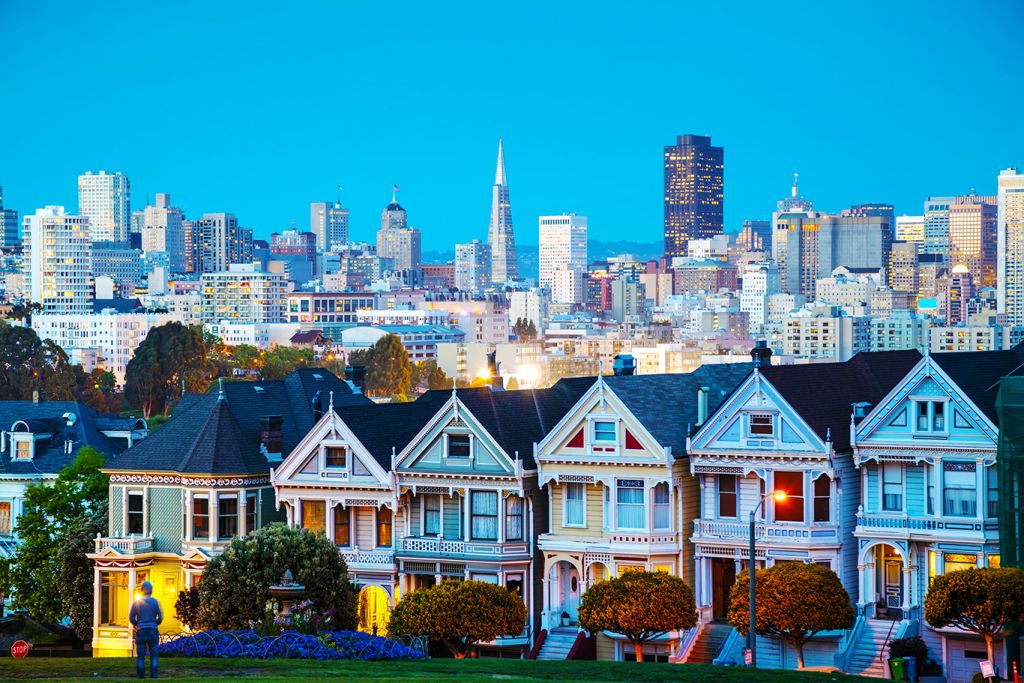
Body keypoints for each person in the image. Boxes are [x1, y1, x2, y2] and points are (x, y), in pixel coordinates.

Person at [129, 581, 163, 679]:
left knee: (140, 654)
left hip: (141, 630)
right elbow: (160, 617)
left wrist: (137, 624)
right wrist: (155, 623)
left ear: (142, 590)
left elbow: (131, 618)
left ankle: (141, 675)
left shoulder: (136, 603)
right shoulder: (156, 602)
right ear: (151, 590)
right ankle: (154, 676)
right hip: (153, 630)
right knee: (154, 654)